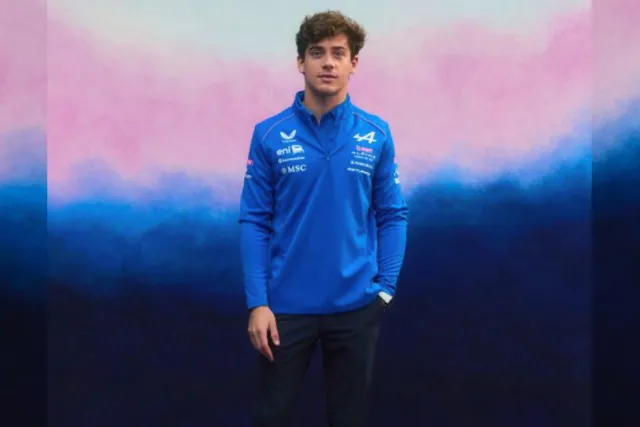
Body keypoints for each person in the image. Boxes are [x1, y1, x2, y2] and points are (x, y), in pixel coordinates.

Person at [239, 10, 409, 427]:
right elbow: (254, 221)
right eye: (317, 53)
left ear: (354, 63)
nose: (328, 63)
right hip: (285, 309)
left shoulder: (375, 133)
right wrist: (258, 303)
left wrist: (385, 290)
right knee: (269, 416)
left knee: (348, 419)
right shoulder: (269, 134)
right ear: (301, 62)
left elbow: (392, 214)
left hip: (355, 306)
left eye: (338, 53)